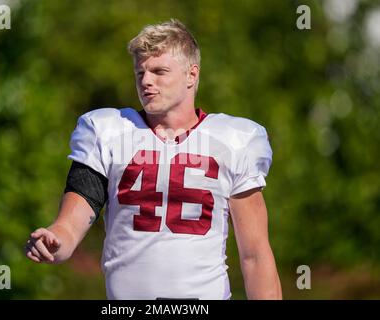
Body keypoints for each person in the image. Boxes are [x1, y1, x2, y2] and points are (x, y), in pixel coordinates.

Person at [24, 19, 282, 300]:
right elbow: (71, 223)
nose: (146, 81)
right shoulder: (108, 130)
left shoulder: (234, 140)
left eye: (159, 71)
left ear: (191, 75)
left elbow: (255, 255)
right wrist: (56, 240)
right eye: (140, 72)